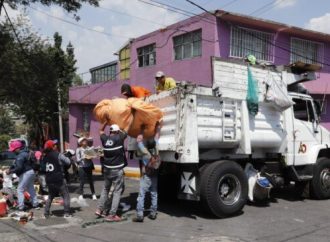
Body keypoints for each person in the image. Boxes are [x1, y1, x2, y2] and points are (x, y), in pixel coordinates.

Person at [95, 123, 128, 222]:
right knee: (117, 191)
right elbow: (127, 128)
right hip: (117, 170)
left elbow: (100, 130)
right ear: (117, 131)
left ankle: (99, 209)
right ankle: (112, 214)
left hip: (107, 169)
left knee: (105, 189)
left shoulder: (104, 139)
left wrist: (105, 121)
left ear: (110, 131)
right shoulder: (119, 138)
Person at [133, 138, 161, 222]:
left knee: (142, 194)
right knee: (154, 194)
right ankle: (153, 213)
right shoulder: (157, 152)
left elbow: (139, 142)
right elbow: (156, 139)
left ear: (147, 145)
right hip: (154, 175)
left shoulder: (145, 153)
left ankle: (140, 215)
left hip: (146, 176)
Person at [6, 140, 39, 211]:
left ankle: (21, 207)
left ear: (18, 148)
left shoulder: (20, 155)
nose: (13, 151)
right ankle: (35, 204)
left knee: (20, 190)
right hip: (31, 172)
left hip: (26, 173)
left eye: (14, 150)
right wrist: (12, 167)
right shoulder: (26, 153)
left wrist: (10, 171)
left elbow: (19, 167)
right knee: (31, 188)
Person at [42, 140, 72, 218]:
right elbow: (68, 162)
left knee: (51, 196)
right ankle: (66, 213)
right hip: (59, 178)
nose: (56, 146)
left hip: (49, 179)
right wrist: (68, 156)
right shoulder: (58, 154)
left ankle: (46, 212)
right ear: (52, 147)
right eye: (54, 145)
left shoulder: (45, 157)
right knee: (65, 195)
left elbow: (42, 168)